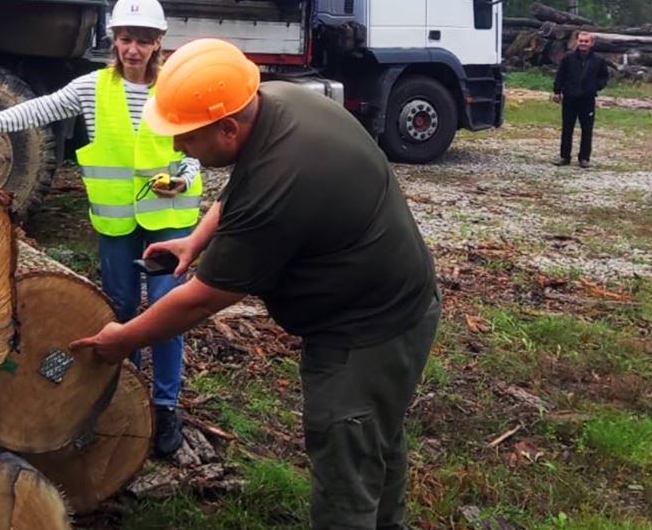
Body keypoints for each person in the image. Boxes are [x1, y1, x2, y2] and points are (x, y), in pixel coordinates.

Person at [70, 39, 441, 530]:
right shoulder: (277, 104)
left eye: (186, 137)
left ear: (226, 128)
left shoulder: (283, 174)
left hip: (368, 329)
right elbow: (241, 190)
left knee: (346, 450)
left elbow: (202, 300)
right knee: (375, 436)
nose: (177, 147)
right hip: (392, 300)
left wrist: (124, 340)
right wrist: (193, 242)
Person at [0, 0, 203, 458]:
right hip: (116, 222)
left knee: (166, 314)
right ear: (115, 41)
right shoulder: (92, 88)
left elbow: (198, 153)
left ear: (159, 42)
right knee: (119, 307)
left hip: (168, 221)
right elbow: (40, 109)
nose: (134, 50)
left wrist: (182, 180)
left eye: (143, 41)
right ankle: (126, 392)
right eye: (126, 39)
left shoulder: (177, 89)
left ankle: (164, 406)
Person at [553, 31, 609, 168]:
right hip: (570, 98)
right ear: (577, 42)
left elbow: (604, 77)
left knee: (587, 129)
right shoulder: (568, 58)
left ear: (591, 43)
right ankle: (564, 157)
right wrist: (557, 91)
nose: (583, 44)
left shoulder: (598, 60)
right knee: (567, 128)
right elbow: (560, 75)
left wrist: (595, 87)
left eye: (586, 41)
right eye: (581, 41)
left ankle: (584, 158)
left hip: (587, 99)